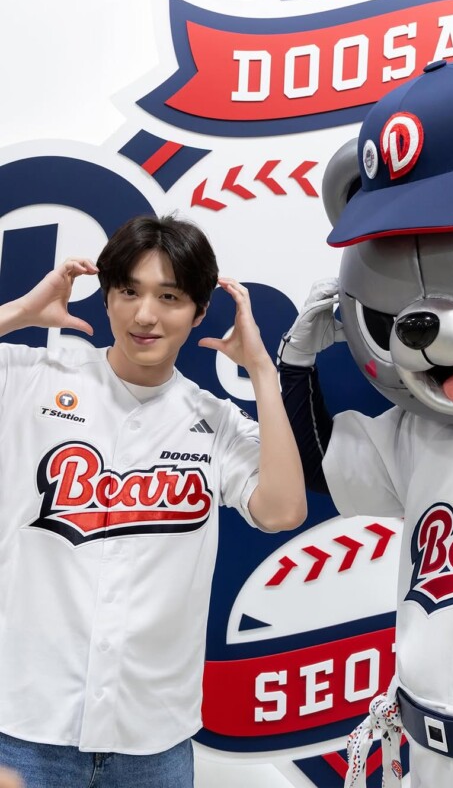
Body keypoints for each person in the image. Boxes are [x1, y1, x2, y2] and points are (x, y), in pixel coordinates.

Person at [0, 214, 306, 788]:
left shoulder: (214, 421)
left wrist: (263, 371)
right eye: (128, 291)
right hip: (25, 727)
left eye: (169, 296)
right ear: (106, 297)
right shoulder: (31, 379)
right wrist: (19, 312)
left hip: (152, 742)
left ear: (199, 310)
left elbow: (282, 510)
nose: (145, 315)